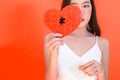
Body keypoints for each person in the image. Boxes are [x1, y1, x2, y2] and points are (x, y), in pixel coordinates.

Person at [44, 0, 109, 80]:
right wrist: (53, 57)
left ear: (92, 9)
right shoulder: (53, 40)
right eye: (74, 6)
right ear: (65, 9)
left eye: (85, 6)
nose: (80, 12)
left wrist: (100, 72)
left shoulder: (102, 44)